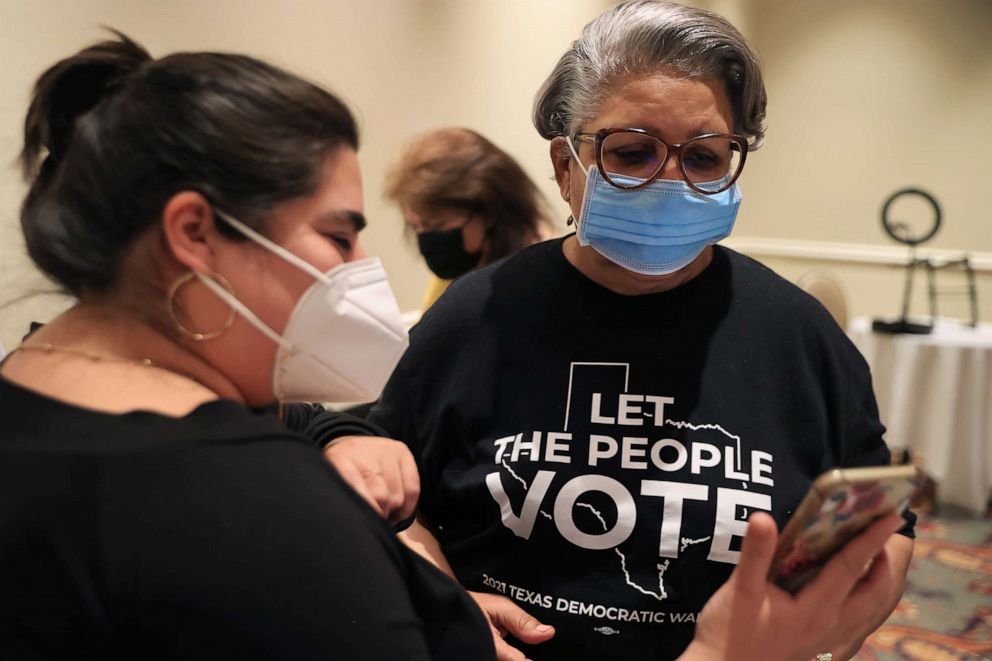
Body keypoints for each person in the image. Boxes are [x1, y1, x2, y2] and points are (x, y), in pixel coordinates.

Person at [367, 2, 915, 660]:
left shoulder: (800, 338)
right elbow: (391, 498)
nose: (671, 179)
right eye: (633, 152)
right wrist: (442, 603)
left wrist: (827, 629)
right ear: (565, 167)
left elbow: (886, 526)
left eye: (706, 157)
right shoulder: (471, 317)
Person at [0, 32, 493, 658]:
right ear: (195, 232)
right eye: (339, 238)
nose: (363, 267)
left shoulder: (31, 385)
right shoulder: (256, 504)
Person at [385, 127, 552, 311]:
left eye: (437, 225)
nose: (425, 238)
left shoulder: (542, 277)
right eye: (416, 227)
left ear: (489, 213)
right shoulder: (451, 278)